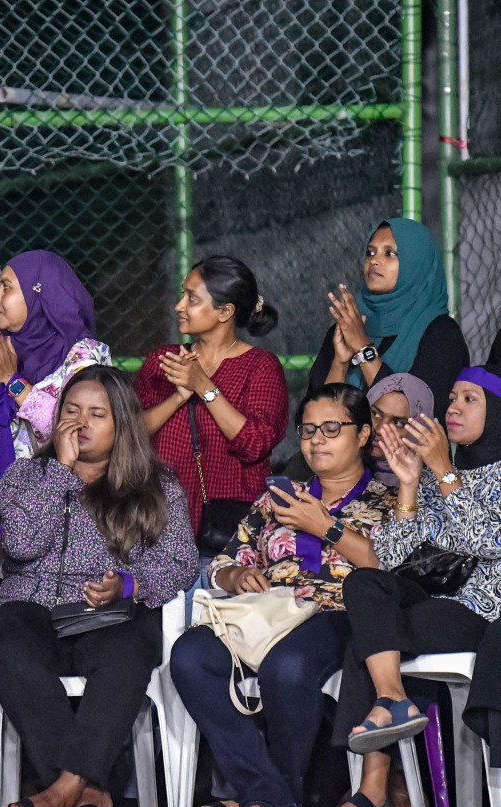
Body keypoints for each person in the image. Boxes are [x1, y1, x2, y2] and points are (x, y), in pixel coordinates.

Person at [170, 383, 392, 807]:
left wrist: (324, 527)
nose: (317, 440)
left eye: (332, 428)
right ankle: (269, 791)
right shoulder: (278, 497)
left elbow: (390, 571)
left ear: (364, 434)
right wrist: (233, 577)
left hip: (340, 615)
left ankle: (269, 795)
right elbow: (226, 562)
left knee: (287, 665)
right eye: (308, 430)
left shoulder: (387, 501)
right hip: (268, 614)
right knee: (189, 655)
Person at [0, 365, 197, 807]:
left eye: (97, 414)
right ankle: (92, 792)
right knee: (6, 647)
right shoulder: (25, 476)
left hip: (108, 614)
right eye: (71, 411)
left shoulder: (156, 487)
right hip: (34, 606)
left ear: (121, 424)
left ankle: (60, 791)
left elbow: (181, 562)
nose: (81, 423)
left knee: (132, 646)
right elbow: (18, 544)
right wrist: (59, 473)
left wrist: (129, 585)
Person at [309, 367, 501, 807]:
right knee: (363, 586)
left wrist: (442, 469)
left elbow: (489, 540)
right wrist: (411, 486)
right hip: (426, 600)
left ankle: (370, 793)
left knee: (368, 640)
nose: (453, 407)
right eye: (451, 397)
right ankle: (393, 696)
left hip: (478, 612)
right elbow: (389, 559)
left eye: (469, 399)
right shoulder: (433, 476)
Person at [136, 256, 287, 557]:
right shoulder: (163, 360)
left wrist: (204, 387)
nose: (180, 305)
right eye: (183, 295)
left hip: (230, 539)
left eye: (192, 298)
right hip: (158, 533)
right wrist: (178, 397)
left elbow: (255, 444)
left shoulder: (260, 367)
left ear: (225, 311)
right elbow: (130, 433)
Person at [0, 250, 111, 504]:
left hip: (59, 512)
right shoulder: (9, 353)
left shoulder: (85, 356)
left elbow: (75, 431)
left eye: (6, 287)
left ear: (39, 293)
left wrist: (13, 381)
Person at [306, 218, 468, 418]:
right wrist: (339, 363)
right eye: (370, 252)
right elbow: (318, 419)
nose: (374, 260)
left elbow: (413, 414)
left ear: (416, 262)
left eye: (390, 253)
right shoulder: (349, 326)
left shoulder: (442, 334)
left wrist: (363, 349)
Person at [367, 373, 434, 487]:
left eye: (398, 423)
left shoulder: (427, 487)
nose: (379, 430)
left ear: (417, 431)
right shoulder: (338, 465)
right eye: (375, 414)